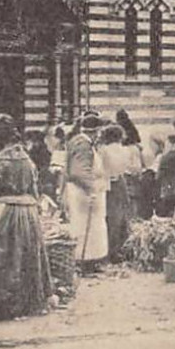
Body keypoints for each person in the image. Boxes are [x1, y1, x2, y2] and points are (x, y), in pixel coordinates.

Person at [0, 114, 51, 317]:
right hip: (28, 213)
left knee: (5, 257)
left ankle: (4, 303)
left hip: (7, 211)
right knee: (28, 256)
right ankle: (28, 301)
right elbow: (35, 189)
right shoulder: (27, 160)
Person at [62, 114, 108, 269]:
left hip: (81, 192)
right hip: (82, 193)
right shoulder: (83, 144)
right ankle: (84, 262)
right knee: (85, 228)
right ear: (95, 131)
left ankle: (88, 261)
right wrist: (92, 189)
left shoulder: (81, 142)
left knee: (89, 228)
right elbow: (79, 171)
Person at [97, 123, 133, 262]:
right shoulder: (125, 150)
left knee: (109, 217)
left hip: (108, 184)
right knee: (122, 216)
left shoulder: (103, 150)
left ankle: (110, 250)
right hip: (121, 182)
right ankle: (119, 249)